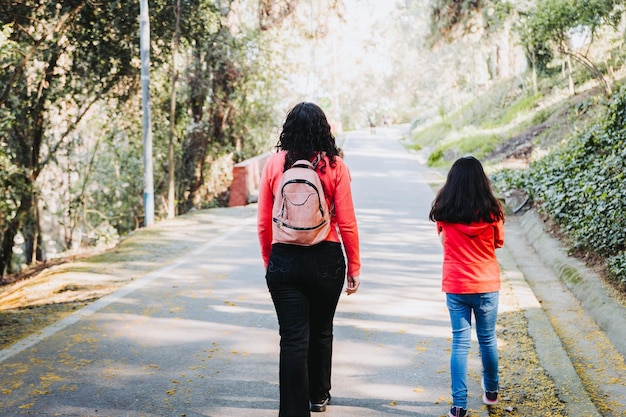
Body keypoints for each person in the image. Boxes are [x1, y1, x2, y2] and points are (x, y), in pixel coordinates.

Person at [257, 102, 361, 417]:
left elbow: (263, 222)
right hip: (326, 258)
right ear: (323, 129)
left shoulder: (275, 164)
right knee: (321, 328)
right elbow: (347, 222)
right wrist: (354, 267)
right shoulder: (335, 166)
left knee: (292, 338)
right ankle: (318, 395)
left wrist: (270, 260)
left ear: (288, 129)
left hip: (285, 258)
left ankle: (292, 412)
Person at [428, 156, 505, 417]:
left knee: (460, 343)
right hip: (486, 282)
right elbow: (497, 242)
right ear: (482, 181)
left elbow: (442, 240)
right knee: (487, 339)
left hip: (456, 283)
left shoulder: (444, 208)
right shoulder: (493, 210)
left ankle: (459, 406)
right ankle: (491, 391)